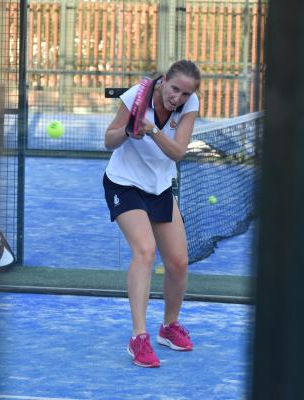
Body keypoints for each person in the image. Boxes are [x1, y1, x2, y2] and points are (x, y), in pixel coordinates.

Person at [102, 60, 201, 368]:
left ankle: (169, 327)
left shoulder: (189, 104)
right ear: (163, 82)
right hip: (124, 183)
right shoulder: (135, 97)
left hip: (159, 187)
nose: (179, 98)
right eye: (175, 89)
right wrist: (128, 130)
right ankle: (139, 337)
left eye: (186, 93)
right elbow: (109, 140)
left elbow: (178, 152)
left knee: (178, 263)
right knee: (145, 251)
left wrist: (151, 130)